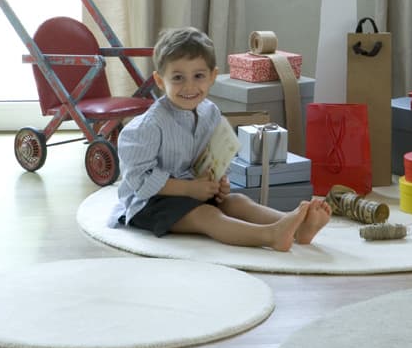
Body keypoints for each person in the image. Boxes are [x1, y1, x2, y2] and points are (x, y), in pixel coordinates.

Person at [109, 25, 331, 251]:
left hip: (193, 188)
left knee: (236, 201)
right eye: (177, 78)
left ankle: (298, 227)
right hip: (149, 202)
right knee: (207, 215)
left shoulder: (210, 113)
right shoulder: (148, 127)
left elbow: (214, 156)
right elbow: (139, 180)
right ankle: (271, 235)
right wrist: (188, 189)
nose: (189, 86)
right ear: (159, 80)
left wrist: (219, 182)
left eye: (198, 76)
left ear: (213, 76)